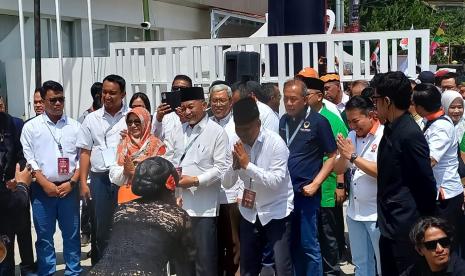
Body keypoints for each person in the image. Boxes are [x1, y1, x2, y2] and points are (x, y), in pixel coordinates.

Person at [371, 71, 437, 275]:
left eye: (376, 100)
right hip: (389, 224)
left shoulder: (409, 134)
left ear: (387, 101)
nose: (374, 105)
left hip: (407, 228)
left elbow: (426, 182)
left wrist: (422, 228)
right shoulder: (390, 128)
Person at [88, 157, 196, 275]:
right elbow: (186, 260)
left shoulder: (123, 210)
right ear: (170, 186)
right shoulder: (177, 215)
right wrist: (176, 212)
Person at [223, 97, 294, 275]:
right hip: (250, 211)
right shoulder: (235, 143)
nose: (243, 134)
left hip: (276, 210)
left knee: (282, 264)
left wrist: (248, 166)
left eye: (247, 129)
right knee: (248, 265)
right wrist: (234, 167)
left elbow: (276, 182)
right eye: (239, 130)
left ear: (259, 123)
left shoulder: (275, 143)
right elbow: (227, 183)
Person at [21, 80, 82, 275]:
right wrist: (44, 183)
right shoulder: (31, 128)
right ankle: (47, 271)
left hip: (69, 190)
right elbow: (29, 159)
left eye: (61, 99)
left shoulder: (75, 126)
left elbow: (83, 159)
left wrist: (72, 182)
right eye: (53, 100)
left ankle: (73, 271)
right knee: (45, 236)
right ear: (43, 101)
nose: (57, 103)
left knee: (72, 235)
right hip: (42, 190)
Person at [166, 86, 229, 276]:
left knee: (204, 263)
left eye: (191, 107)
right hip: (178, 206)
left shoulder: (216, 132)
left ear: (204, 105)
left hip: (204, 209)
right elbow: (168, 157)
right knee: (183, 262)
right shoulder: (178, 130)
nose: (187, 112)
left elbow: (221, 168)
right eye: (183, 108)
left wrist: (194, 180)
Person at [280, 79, 337, 275]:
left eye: (293, 99)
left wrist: (316, 183)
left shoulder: (319, 122)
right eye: (286, 99)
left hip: (306, 194)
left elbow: (332, 157)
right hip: (284, 194)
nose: (289, 103)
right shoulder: (283, 121)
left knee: (308, 245)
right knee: (290, 243)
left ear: (305, 100)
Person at [76, 74, 129, 264]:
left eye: (112, 93)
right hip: (100, 179)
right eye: (104, 92)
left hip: (126, 179)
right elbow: (84, 152)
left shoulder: (131, 118)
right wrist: (83, 182)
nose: (107, 96)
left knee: (125, 225)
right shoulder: (91, 119)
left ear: (123, 94)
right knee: (101, 227)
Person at [334, 95, 383, 276]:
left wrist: (353, 157)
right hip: (355, 212)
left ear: (371, 115)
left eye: (356, 121)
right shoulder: (352, 135)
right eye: (349, 122)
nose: (353, 126)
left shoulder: (383, 135)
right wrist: (342, 154)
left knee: (382, 263)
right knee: (361, 263)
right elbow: (339, 167)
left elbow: (381, 171)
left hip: (376, 214)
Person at [304, 76, 348, 275]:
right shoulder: (301, 118)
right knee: (312, 234)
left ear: (319, 96)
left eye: (307, 95)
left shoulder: (331, 119)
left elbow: (341, 154)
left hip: (328, 184)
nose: (303, 98)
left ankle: (331, 271)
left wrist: (340, 183)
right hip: (307, 184)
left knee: (328, 234)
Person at [412, 84, 464, 241]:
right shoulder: (432, 122)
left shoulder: (441, 127)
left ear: (421, 107)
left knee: (444, 242)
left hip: (445, 195)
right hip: (437, 193)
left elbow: (430, 160)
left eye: (414, 104)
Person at [208, 82, 241, 276]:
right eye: (214, 100)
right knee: (215, 244)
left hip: (231, 195)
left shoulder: (238, 125)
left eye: (222, 100)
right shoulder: (206, 124)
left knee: (234, 243)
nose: (218, 105)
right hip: (210, 195)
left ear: (230, 102)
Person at [0, 110, 35, 276]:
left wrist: (18, 178)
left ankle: (27, 268)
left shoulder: (14, 124)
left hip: (14, 187)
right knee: (5, 246)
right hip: (8, 195)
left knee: (23, 232)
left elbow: (23, 154)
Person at [109, 107, 166, 203]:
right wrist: (125, 172)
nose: (133, 125)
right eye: (129, 122)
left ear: (146, 122)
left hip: (151, 198)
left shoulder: (157, 145)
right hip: (127, 197)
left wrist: (135, 172)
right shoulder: (123, 144)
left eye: (137, 122)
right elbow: (113, 174)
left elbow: (162, 174)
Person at [401, 217, 465, 276]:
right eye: (431, 245)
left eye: (444, 241)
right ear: (419, 250)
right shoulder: (417, 269)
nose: (440, 249)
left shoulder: (461, 271)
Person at [152, 75, 192, 166]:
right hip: (163, 163)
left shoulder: (194, 113)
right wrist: (158, 119)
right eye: (175, 88)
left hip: (186, 162)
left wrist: (185, 122)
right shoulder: (162, 113)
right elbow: (154, 139)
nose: (178, 91)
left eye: (183, 89)